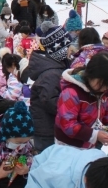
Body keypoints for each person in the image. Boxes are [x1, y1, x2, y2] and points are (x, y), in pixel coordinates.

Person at [23, 22, 72, 152]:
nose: (71, 51)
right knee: (45, 160)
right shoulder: (51, 74)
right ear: (60, 50)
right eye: (68, 48)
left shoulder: (55, 68)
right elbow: (50, 101)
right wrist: (72, 105)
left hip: (49, 126)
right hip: (45, 129)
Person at [56, 52, 108, 149]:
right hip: (68, 145)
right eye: (102, 83)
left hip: (90, 143)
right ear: (91, 74)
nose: (105, 88)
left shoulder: (104, 92)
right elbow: (68, 124)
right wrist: (95, 135)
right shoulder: (71, 93)